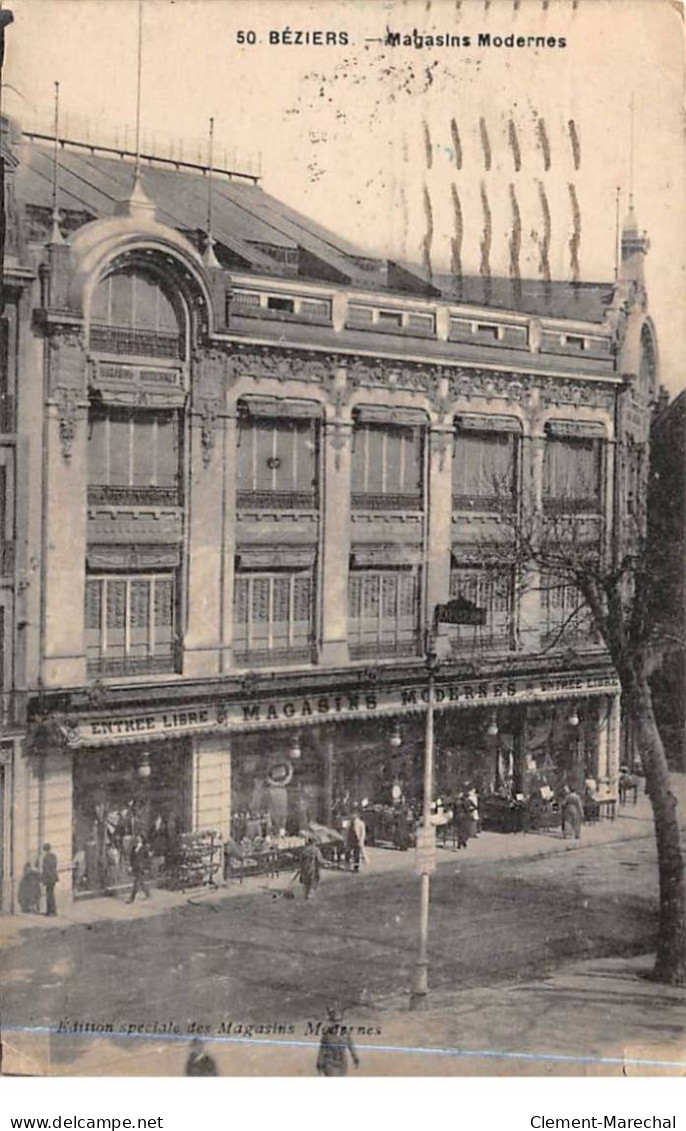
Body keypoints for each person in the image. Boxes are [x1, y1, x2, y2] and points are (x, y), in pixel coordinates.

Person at [316, 1007, 360, 1076]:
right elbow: (322, 1049)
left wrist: (355, 1058)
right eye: (334, 1022)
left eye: (339, 1021)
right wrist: (319, 1063)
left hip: (342, 1061)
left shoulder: (345, 1033)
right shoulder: (326, 1034)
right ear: (331, 1022)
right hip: (329, 1061)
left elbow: (351, 1046)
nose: (337, 1024)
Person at [298, 835, 324, 899]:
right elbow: (319, 860)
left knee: (306, 884)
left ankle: (306, 896)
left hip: (305, 869)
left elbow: (300, 860)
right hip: (313, 869)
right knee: (312, 883)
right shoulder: (316, 850)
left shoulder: (304, 850)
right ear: (314, 842)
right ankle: (309, 896)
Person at [127, 835, 151, 903]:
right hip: (135, 867)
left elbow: (147, 859)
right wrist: (130, 866)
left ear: (141, 839)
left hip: (141, 867)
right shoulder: (134, 847)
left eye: (139, 838)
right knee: (140, 882)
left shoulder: (144, 848)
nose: (137, 839)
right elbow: (131, 857)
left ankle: (132, 899)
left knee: (136, 882)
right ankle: (147, 894)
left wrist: (147, 867)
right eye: (137, 838)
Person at [41, 843, 59, 916]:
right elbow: (54, 866)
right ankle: (54, 910)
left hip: (49, 878)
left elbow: (46, 870)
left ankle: (50, 911)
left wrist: (45, 879)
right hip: (54, 878)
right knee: (52, 894)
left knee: (49, 895)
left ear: (45, 850)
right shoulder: (54, 856)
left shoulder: (45, 858)